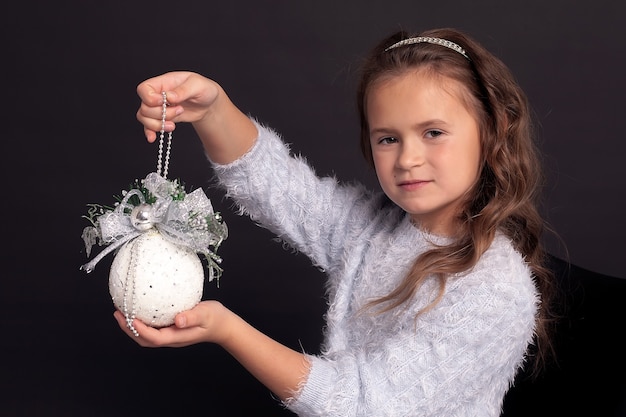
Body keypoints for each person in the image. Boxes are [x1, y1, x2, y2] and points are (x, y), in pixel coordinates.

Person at [115, 27, 557, 416]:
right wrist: (211, 111)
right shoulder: (376, 229)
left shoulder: (495, 291)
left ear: (492, 129)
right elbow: (280, 190)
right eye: (388, 138)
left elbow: (363, 404)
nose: (408, 159)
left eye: (433, 132)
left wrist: (227, 330)